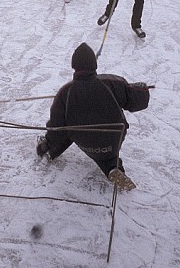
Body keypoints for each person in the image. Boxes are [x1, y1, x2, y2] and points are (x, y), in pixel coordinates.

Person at [36, 42, 151, 191]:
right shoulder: (111, 82)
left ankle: (51, 152)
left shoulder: (65, 92)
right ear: (94, 65)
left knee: (68, 129)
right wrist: (142, 88)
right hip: (113, 136)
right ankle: (112, 168)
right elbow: (137, 100)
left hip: (85, 140)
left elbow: (57, 127)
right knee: (108, 155)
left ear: (74, 66)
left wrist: (48, 143)